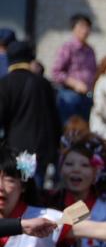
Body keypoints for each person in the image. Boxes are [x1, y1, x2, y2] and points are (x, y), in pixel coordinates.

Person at [0, 41, 61, 184]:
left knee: (23, 189)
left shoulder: (5, 83)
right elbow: (54, 119)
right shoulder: (43, 83)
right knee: (36, 189)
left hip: (17, 148)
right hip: (42, 148)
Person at [52, 14, 96, 123]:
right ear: (73, 29)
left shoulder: (90, 50)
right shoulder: (68, 47)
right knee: (70, 129)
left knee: (84, 130)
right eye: (81, 27)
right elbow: (56, 72)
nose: (85, 30)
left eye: (87, 27)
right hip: (69, 95)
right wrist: (75, 84)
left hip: (87, 96)